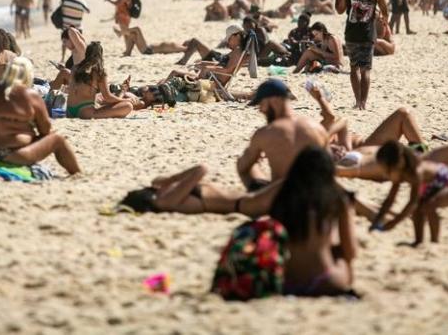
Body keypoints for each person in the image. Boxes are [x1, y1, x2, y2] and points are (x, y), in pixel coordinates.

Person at [269, 146, 357, 296]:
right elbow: (351, 252)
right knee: (340, 254)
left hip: (287, 283)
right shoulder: (337, 200)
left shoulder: (282, 198)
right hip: (325, 280)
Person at [0, 57, 80, 175]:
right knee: (57, 139)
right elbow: (46, 130)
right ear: (28, 75)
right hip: (8, 154)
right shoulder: (30, 95)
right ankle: (77, 174)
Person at [236, 79, 330, 191]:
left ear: (274, 100)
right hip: (318, 195)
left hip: (283, 198)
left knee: (248, 165)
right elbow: (329, 169)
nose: (261, 110)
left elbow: (242, 167)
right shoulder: (316, 128)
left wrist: (255, 159)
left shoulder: (265, 133)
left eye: (262, 104)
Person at [369, 141, 448, 245]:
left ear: (399, 164)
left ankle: (434, 241)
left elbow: (412, 202)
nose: (386, 175)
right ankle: (418, 241)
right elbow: (390, 199)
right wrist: (377, 220)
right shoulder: (399, 173)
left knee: (428, 206)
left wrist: (394, 223)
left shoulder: (416, 172)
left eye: (387, 171)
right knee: (418, 210)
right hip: (436, 186)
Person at [118, 165, 283, 216]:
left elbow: (157, 181)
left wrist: (168, 181)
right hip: (247, 204)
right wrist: (172, 179)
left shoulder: (163, 191)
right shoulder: (164, 201)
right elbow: (201, 170)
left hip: (252, 195)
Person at [336, 0, 389, 110]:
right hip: (367, 34)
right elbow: (385, 11)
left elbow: (339, 10)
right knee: (365, 70)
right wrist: (384, 23)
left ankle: (358, 100)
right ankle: (363, 103)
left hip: (352, 33)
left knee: (354, 68)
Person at [65, 41, 134, 119]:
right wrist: (123, 100)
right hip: (85, 112)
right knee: (128, 105)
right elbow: (108, 97)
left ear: (86, 53)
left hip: (69, 111)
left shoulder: (75, 68)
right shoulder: (99, 71)